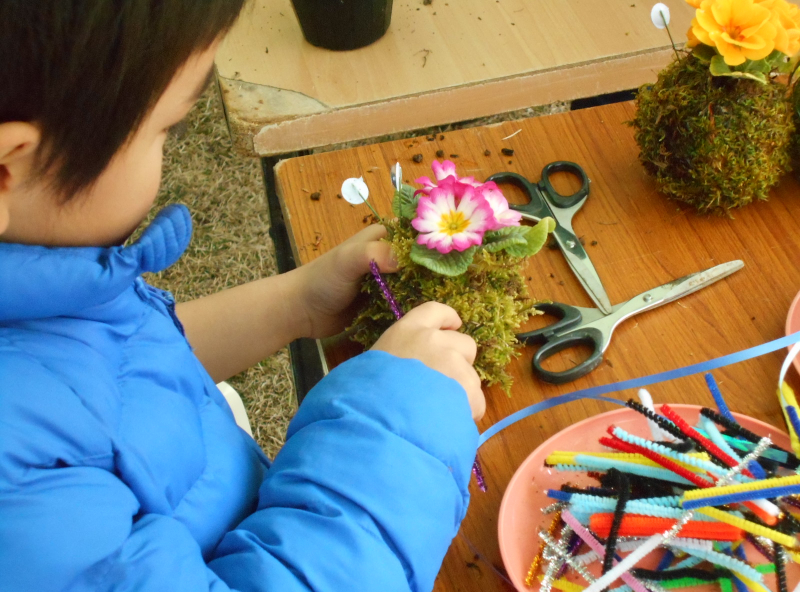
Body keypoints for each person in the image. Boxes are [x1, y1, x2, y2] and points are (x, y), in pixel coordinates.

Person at [0, 2, 485, 591]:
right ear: (9, 168)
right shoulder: (18, 491)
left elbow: (127, 370)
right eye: (164, 130)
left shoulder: (35, 301)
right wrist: (397, 422)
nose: (168, 148)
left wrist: (297, 303)